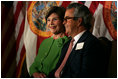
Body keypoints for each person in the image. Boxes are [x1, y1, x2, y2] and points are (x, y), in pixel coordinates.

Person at [48, 3, 108, 78]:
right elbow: (56, 70)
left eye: (67, 19)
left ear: (79, 21)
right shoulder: (67, 45)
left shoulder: (92, 44)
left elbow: (85, 75)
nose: (63, 22)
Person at [29, 6, 69, 78]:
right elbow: (34, 65)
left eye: (55, 19)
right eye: (48, 20)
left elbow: (60, 70)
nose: (51, 23)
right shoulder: (45, 42)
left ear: (63, 21)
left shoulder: (68, 43)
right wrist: (35, 73)